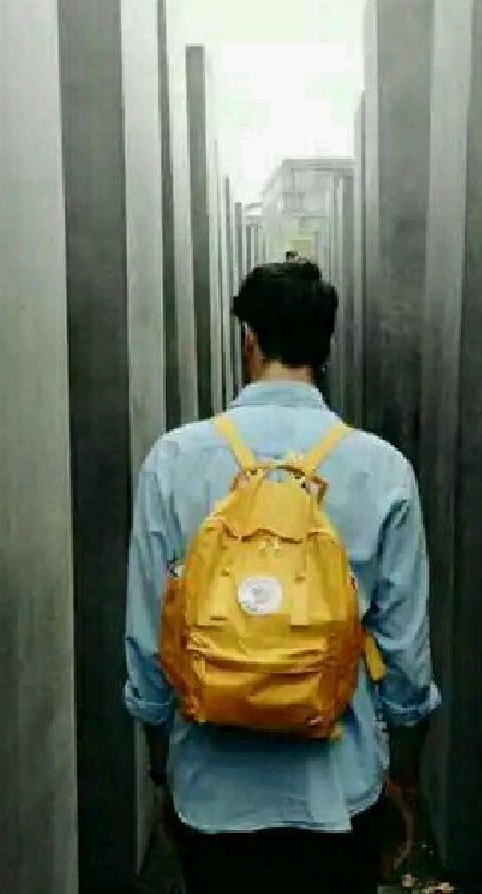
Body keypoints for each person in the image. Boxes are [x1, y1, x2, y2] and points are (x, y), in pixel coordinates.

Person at [124, 260, 440, 894]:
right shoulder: (382, 469)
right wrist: (403, 777)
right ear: (326, 348)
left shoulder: (174, 460)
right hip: (339, 794)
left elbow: (147, 643)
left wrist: (164, 766)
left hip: (212, 794)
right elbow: (406, 658)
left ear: (248, 339)